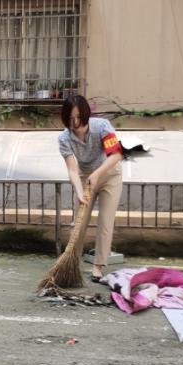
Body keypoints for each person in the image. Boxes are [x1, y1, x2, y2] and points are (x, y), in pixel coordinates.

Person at [58, 94, 124, 283]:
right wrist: (79, 192)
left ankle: (98, 265)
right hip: (85, 177)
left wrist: (97, 174)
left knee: (105, 220)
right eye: (70, 118)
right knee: (79, 223)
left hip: (109, 174)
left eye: (78, 117)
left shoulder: (102, 126)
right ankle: (71, 263)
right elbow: (72, 169)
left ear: (86, 115)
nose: (75, 123)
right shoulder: (64, 139)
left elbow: (116, 155)